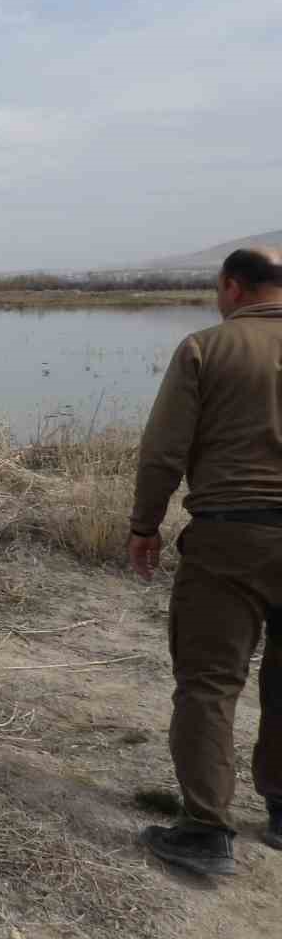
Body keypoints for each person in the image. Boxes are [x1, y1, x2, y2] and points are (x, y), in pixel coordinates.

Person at [129, 247, 282, 876]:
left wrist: (145, 525)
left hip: (231, 536)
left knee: (211, 684)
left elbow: (164, 450)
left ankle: (206, 830)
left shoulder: (205, 347)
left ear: (233, 286)